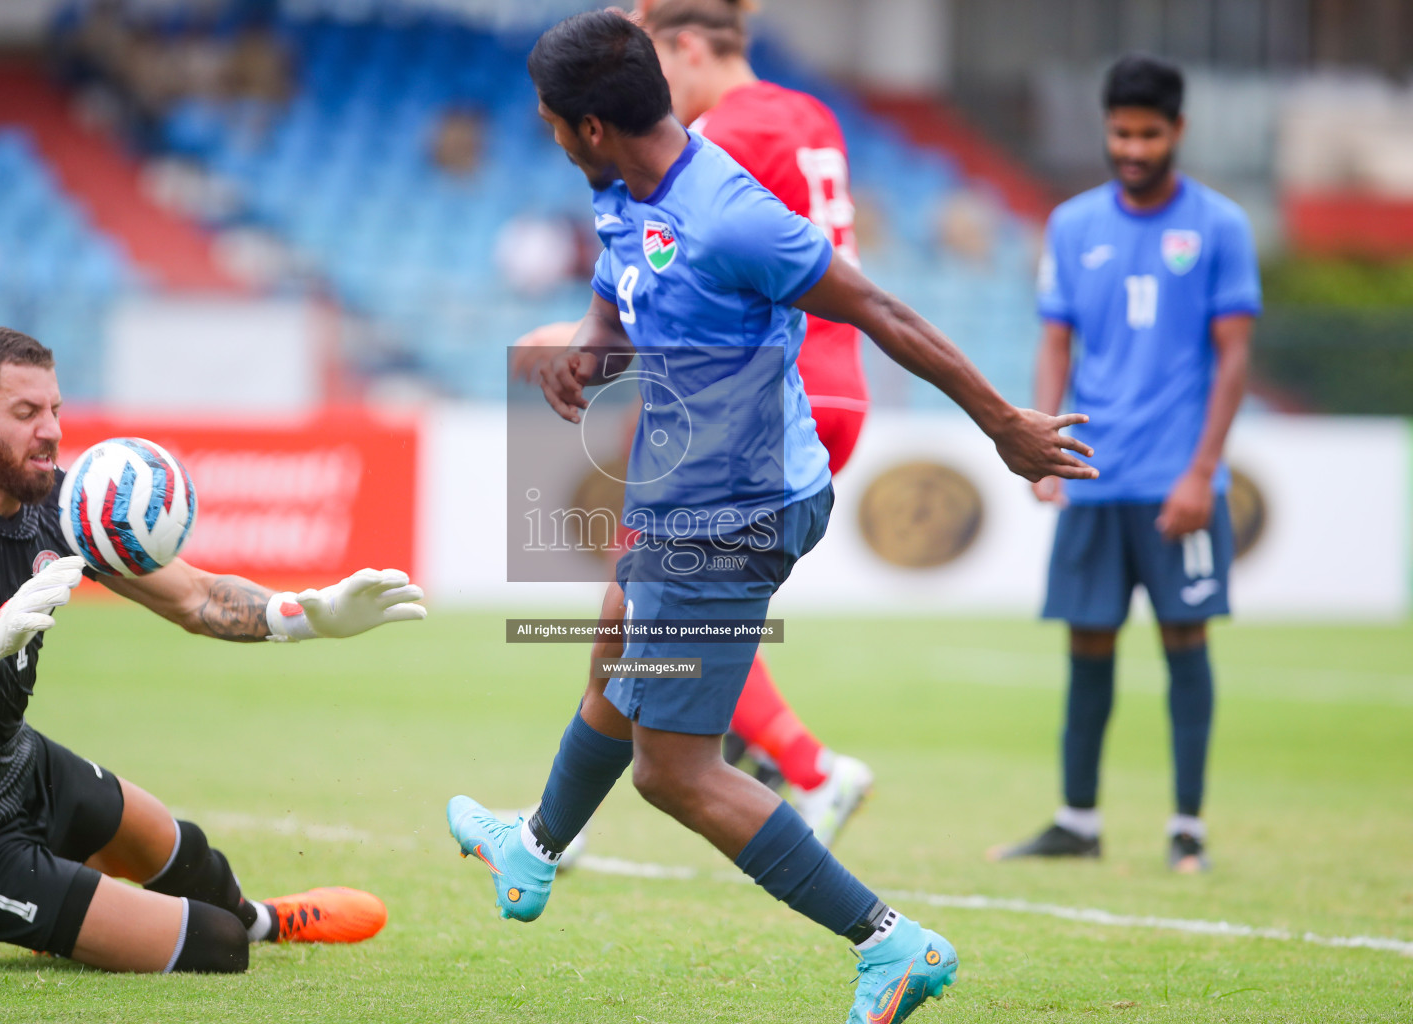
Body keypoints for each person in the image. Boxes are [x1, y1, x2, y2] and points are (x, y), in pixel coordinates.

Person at [449, 13, 1095, 1022]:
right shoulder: (619, 188)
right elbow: (620, 292)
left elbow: (883, 312)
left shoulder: (729, 212)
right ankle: (531, 849)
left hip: (735, 508)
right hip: (689, 495)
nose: (548, 139)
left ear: (585, 126)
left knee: (675, 773)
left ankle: (895, 945)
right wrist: (589, 343)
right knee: (617, 633)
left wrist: (1005, 424)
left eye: (546, 125)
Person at [0, 327, 427, 973]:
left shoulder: (56, 503)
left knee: (174, 845)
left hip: (20, 768)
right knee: (212, 949)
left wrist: (306, 616)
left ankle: (262, 919)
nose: (50, 431)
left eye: (54, 409)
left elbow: (192, 596)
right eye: (25, 414)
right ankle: (66, 909)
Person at [512, 0, 874, 848]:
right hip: (835, 378)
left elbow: (676, 263)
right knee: (635, 596)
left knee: (652, 597)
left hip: (748, 391)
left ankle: (805, 769)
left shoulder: (713, 143)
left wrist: (571, 340)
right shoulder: (808, 113)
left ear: (682, 46)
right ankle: (556, 824)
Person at [991, 55, 1258, 873]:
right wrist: (1043, 448)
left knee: (1186, 641)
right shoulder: (1072, 227)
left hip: (1178, 483)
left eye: (1147, 133)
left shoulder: (1220, 227)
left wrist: (1200, 471)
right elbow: (1055, 341)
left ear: (1176, 132)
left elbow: (1235, 356)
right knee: (1088, 643)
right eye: (1120, 133)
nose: (1132, 148)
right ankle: (1078, 821)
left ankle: (1188, 831)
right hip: (1095, 474)